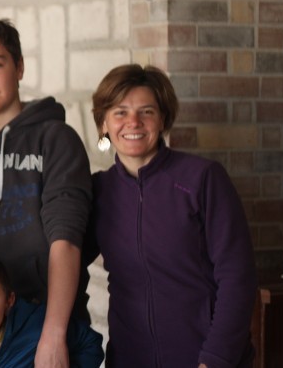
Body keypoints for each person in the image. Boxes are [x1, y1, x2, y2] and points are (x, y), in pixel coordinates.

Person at [0, 15, 93, 367]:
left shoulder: (55, 139)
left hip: (44, 324)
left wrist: (54, 334)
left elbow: (67, 240)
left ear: (19, 67)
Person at [89, 64, 257, 368]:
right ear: (103, 123)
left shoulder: (203, 179)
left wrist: (215, 359)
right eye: (120, 112)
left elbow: (237, 277)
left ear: (163, 119)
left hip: (204, 359)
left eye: (147, 111)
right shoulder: (98, 191)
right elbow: (66, 259)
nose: (133, 122)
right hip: (129, 360)